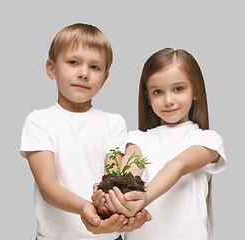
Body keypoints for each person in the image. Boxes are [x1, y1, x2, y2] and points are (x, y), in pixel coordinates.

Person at [20, 23, 150, 240]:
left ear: (104, 78)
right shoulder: (39, 121)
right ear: (51, 69)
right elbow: (47, 185)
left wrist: (108, 204)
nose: (83, 74)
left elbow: (112, 176)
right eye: (73, 63)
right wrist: (84, 206)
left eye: (94, 67)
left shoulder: (113, 122)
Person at [94, 48, 226, 239]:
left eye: (178, 89)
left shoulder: (207, 140)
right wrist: (112, 198)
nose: (168, 100)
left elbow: (178, 165)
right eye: (158, 92)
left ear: (195, 90)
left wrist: (144, 197)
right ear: (148, 97)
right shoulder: (137, 139)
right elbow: (130, 173)